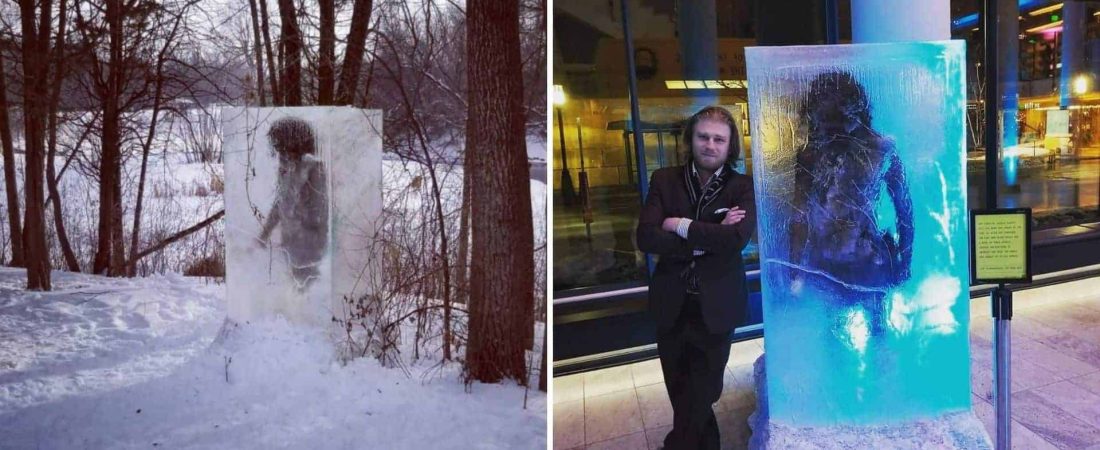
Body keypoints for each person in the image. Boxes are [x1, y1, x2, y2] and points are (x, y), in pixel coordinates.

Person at [636, 105, 756, 449]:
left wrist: (681, 225)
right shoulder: (664, 180)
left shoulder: (742, 187)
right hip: (672, 303)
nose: (710, 144)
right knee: (681, 392)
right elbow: (646, 237)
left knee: (704, 392)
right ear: (691, 139)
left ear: (729, 145)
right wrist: (707, 240)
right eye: (703, 136)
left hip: (717, 307)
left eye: (719, 139)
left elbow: (735, 240)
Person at [787, 71, 913, 334]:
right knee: (860, 335)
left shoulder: (879, 149)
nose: (832, 122)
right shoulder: (814, 153)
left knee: (854, 335)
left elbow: (904, 209)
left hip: (852, 262)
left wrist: (796, 271)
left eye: (836, 111)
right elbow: (904, 210)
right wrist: (796, 270)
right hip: (844, 263)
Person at [258, 116, 329, 290]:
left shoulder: (314, 168)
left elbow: (320, 212)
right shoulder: (285, 166)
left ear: (292, 142)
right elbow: (280, 201)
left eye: (281, 145)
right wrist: (265, 233)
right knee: (293, 291)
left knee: (307, 292)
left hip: (308, 246)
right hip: (289, 243)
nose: (278, 152)